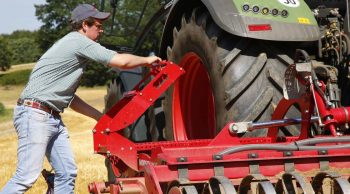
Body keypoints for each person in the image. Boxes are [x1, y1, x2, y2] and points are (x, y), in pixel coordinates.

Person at [0, 4, 161, 194]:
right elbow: (121, 61)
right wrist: (147, 60)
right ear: (85, 24)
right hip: (35, 114)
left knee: (67, 173)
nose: (101, 30)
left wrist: (101, 117)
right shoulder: (78, 42)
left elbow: (71, 99)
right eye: (98, 26)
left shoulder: (73, 48)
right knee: (25, 176)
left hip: (50, 117)